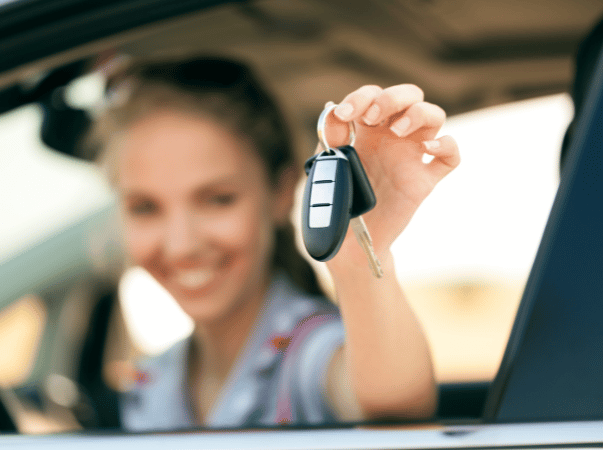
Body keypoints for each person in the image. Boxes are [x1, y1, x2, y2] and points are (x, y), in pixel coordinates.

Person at [95, 56, 459, 430]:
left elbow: (395, 407)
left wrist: (357, 254)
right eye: (145, 208)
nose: (181, 245)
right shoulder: (151, 380)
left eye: (218, 199)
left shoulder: (310, 352)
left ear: (281, 192)